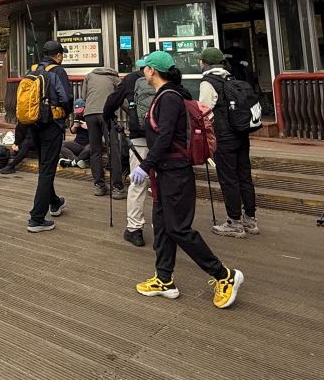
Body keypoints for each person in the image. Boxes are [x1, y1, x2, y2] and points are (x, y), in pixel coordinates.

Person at [128, 51, 243, 307]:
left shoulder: (169, 97)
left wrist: (145, 166)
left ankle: (224, 275)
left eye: (145, 68)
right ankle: (164, 279)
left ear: (152, 72)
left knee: (178, 228)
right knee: (162, 225)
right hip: (165, 172)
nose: (142, 71)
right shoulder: (170, 95)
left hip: (175, 173)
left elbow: (166, 136)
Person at [198, 46, 259, 238]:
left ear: (204, 62)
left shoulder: (208, 82)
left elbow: (204, 111)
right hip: (241, 134)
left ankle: (234, 221)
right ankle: (250, 219)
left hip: (223, 136)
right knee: (244, 175)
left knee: (228, 178)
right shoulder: (230, 78)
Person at [26, 40, 73, 233]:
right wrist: (66, 115)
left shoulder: (33, 69)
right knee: (47, 170)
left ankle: (54, 202)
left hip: (33, 124)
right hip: (51, 125)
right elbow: (67, 98)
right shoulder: (58, 71)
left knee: (45, 167)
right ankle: (36, 218)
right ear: (59, 55)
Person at [104, 65, 151, 246]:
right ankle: (168, 225)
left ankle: (134, 229)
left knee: (137, 183)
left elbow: (112, 100)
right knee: (163, 183)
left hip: (140, 139)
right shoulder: (170, 77)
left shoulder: (131, 78)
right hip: (166, 139)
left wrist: (108, 117)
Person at [82, 63, 123, 199]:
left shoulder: (89, 76)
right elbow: (122, 98)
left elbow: (83, 97)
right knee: (114, 148)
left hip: (90, 114)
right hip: (107, 115)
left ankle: (99, 186)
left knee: (95, 150)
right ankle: (117, 187)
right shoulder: (114, 78)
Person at [60, 99, 91, 166]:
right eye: (77, 112)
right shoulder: (77, 117)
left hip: (88, 144)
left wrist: (89, 127)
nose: (79, 113)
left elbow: (99, 132)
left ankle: (72, 163)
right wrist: (74, 126)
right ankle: (77, 160)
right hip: (78, 144)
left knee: (91, 148)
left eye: (80, 111)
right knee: (60, 145)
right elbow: (72, 131)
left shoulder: (90, 117)